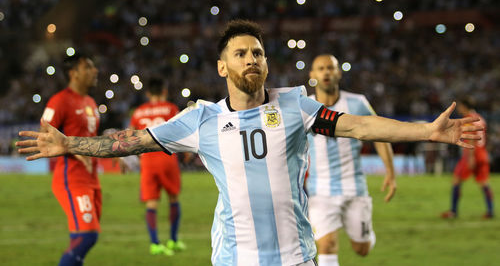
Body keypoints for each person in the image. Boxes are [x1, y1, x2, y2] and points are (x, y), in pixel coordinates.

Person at [18, 20, 483, 266]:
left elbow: (361, 127)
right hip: (235, 258)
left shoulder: (298, 108)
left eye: (257, 52)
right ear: (223, 67)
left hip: (297, 255)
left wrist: (426, 131)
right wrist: (71, 144)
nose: (251, 59)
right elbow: (129, 142)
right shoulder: (200, 119)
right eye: (240, 53)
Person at [306, 54, 396, 266]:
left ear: (338, 73)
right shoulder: (304, 106)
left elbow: (380, 136)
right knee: (326, 245)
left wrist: (390, 172)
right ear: (312, 75)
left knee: (361, 249)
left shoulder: (357, 103)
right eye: (321, 68)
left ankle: (363, 237)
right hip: (320, 192)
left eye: (330, 68)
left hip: (354, 189)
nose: (326, 72)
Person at [40, 52, 100, 265]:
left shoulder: (91, 102)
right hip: (71, 177)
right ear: (73, 73)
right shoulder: (59, 100)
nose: (95, 71)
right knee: (87, 235)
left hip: (91, 178)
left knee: (79, 237)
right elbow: (44, 136)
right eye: (88, 67)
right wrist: (74, 151)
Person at [129, 77, 185, 255]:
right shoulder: (171, 108)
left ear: (147, 94)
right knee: (173, 199)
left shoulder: (138, 112)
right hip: (166, 157)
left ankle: (154, 243)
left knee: (151, 203)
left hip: (148, 161)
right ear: (164, 91)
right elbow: (181, 131)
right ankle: (173, 241)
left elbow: (132, 137)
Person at [441, 98, 494, 219]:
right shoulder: (481, 118)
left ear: (465, 106)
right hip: (482, 153)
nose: (459, 109)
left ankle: (453, 212)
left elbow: (471, 137)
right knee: (484, 183)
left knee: (456, 181)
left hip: (471, 154)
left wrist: (470, 157)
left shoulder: (468, 119)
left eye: (460, 106)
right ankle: (490, 211)